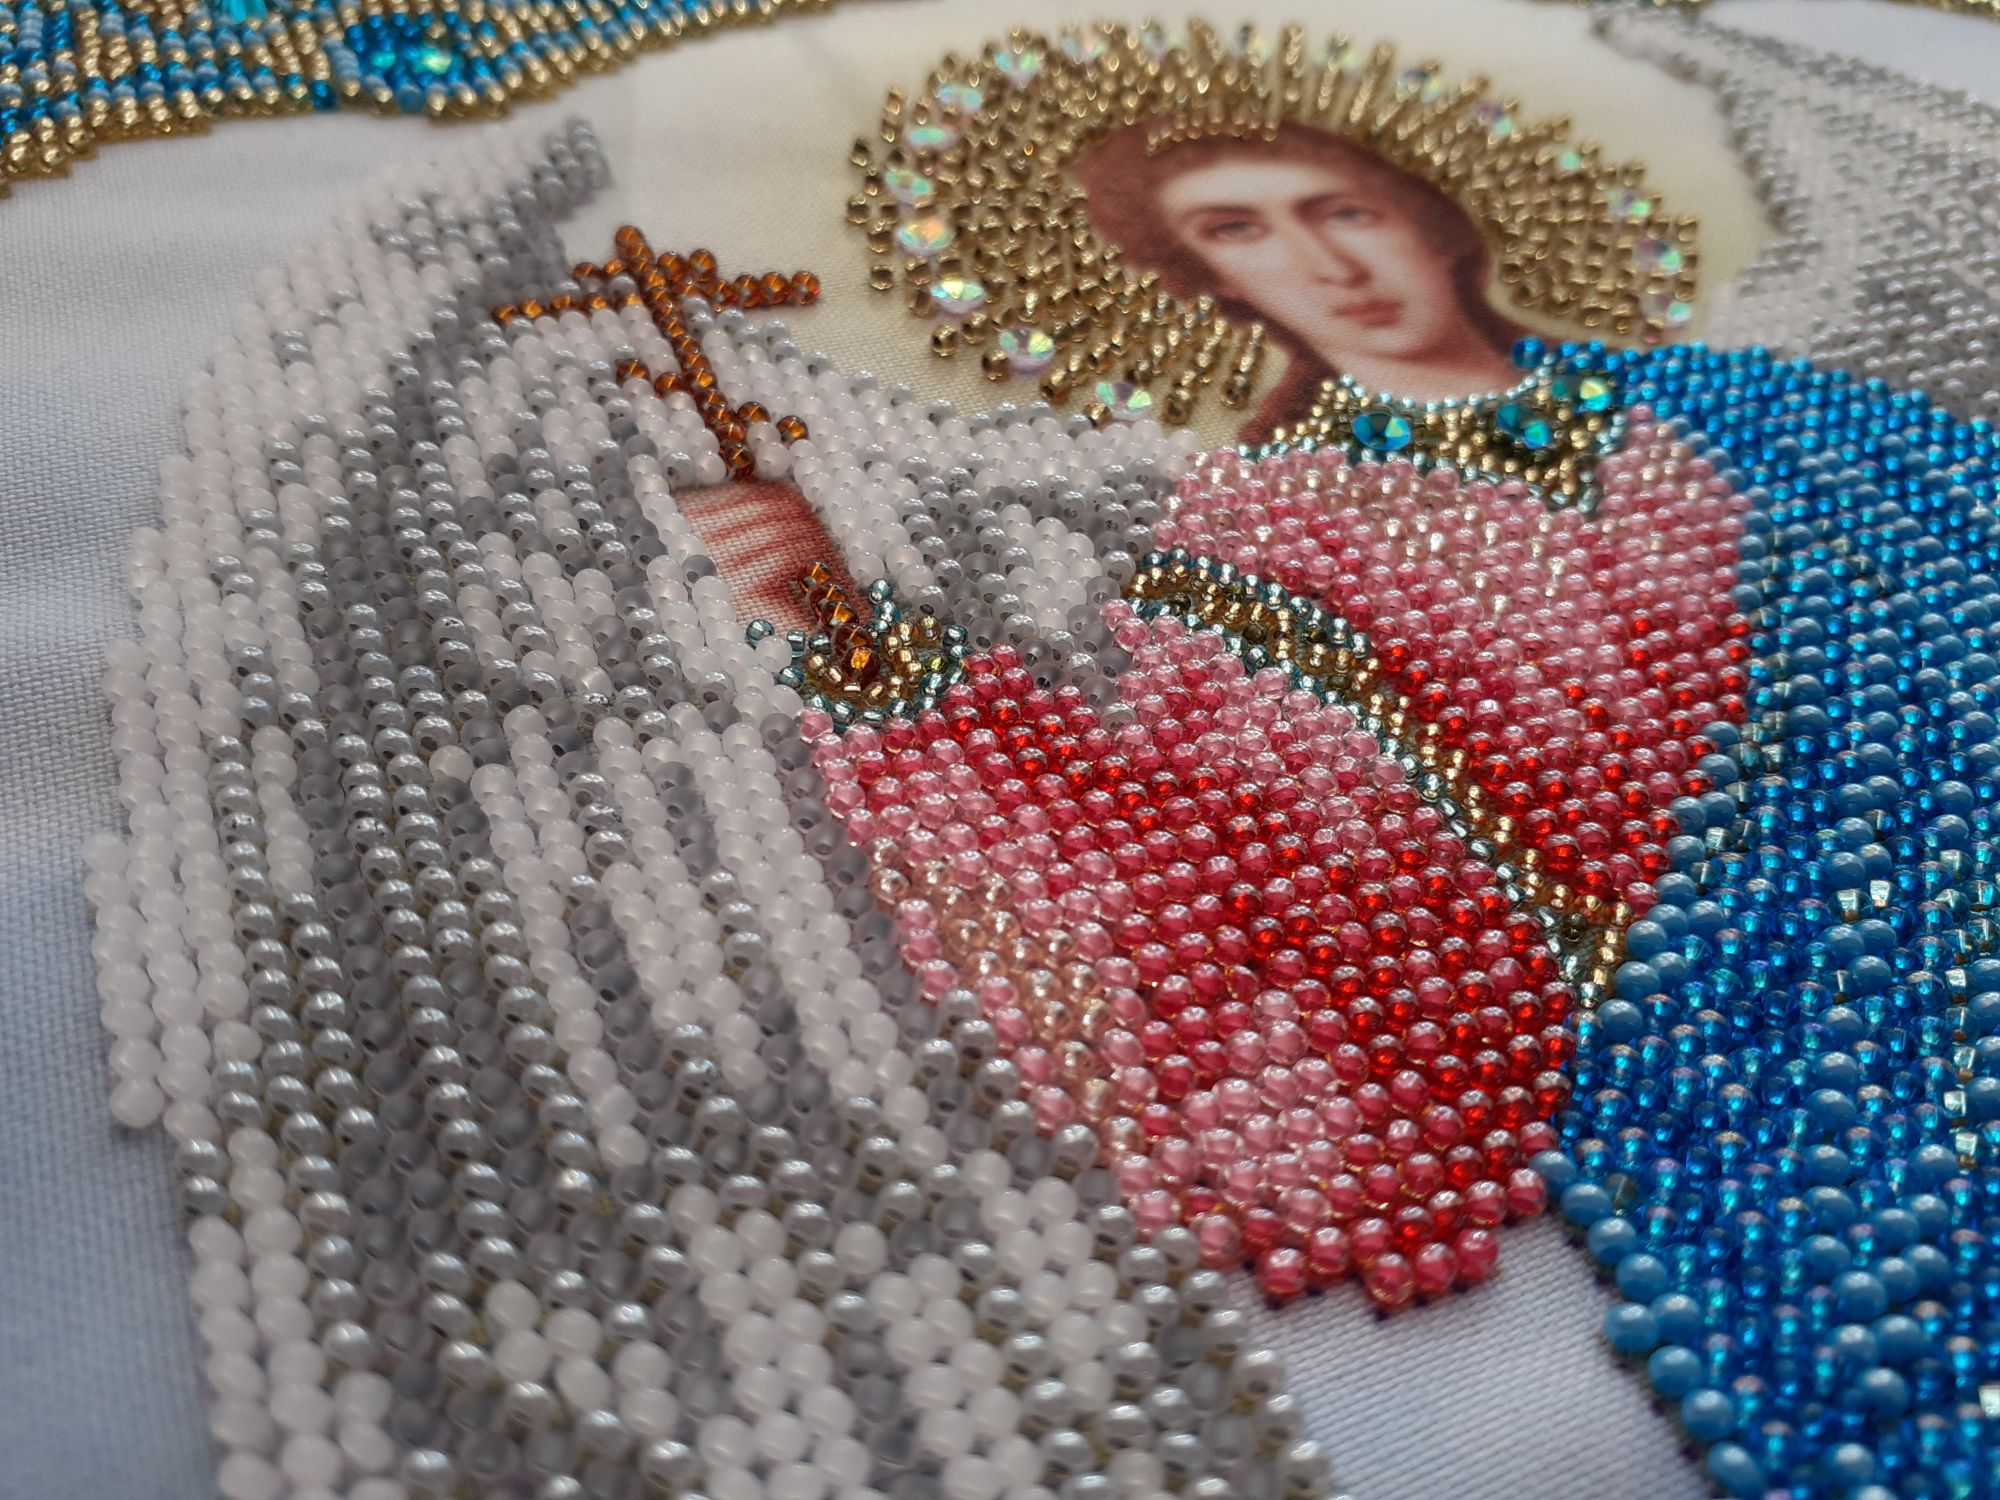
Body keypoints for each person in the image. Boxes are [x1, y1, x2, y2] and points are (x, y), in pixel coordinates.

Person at [1075, 121, 1527, 436]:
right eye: (1236, 229)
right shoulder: (1278, 479)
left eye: (1348, 214)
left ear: (1432, 226)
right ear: (1211, 275)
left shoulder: (1571, 376)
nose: (1337, 269)